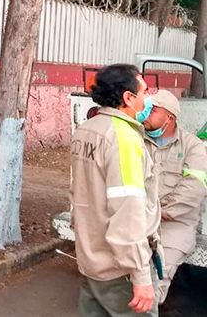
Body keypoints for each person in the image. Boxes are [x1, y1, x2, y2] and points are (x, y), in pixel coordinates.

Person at [70, 64, 161, 316]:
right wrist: (141, 276)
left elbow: (77, 193)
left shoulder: (86, 130)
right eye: (144, 91)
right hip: (120, 269)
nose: (148, 98)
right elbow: (127, 212)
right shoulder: (124, 139)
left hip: (90, 259)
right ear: (128, 98)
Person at [142, 90, 207, 304]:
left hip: (174, 227)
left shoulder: (193, 148)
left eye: (153, 109)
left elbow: (192, 192)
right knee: (127, 278)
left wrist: (153, 214)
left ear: (169, 117)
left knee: (154, 284)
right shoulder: (137, 140)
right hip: (138, 223)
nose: (146, 112)